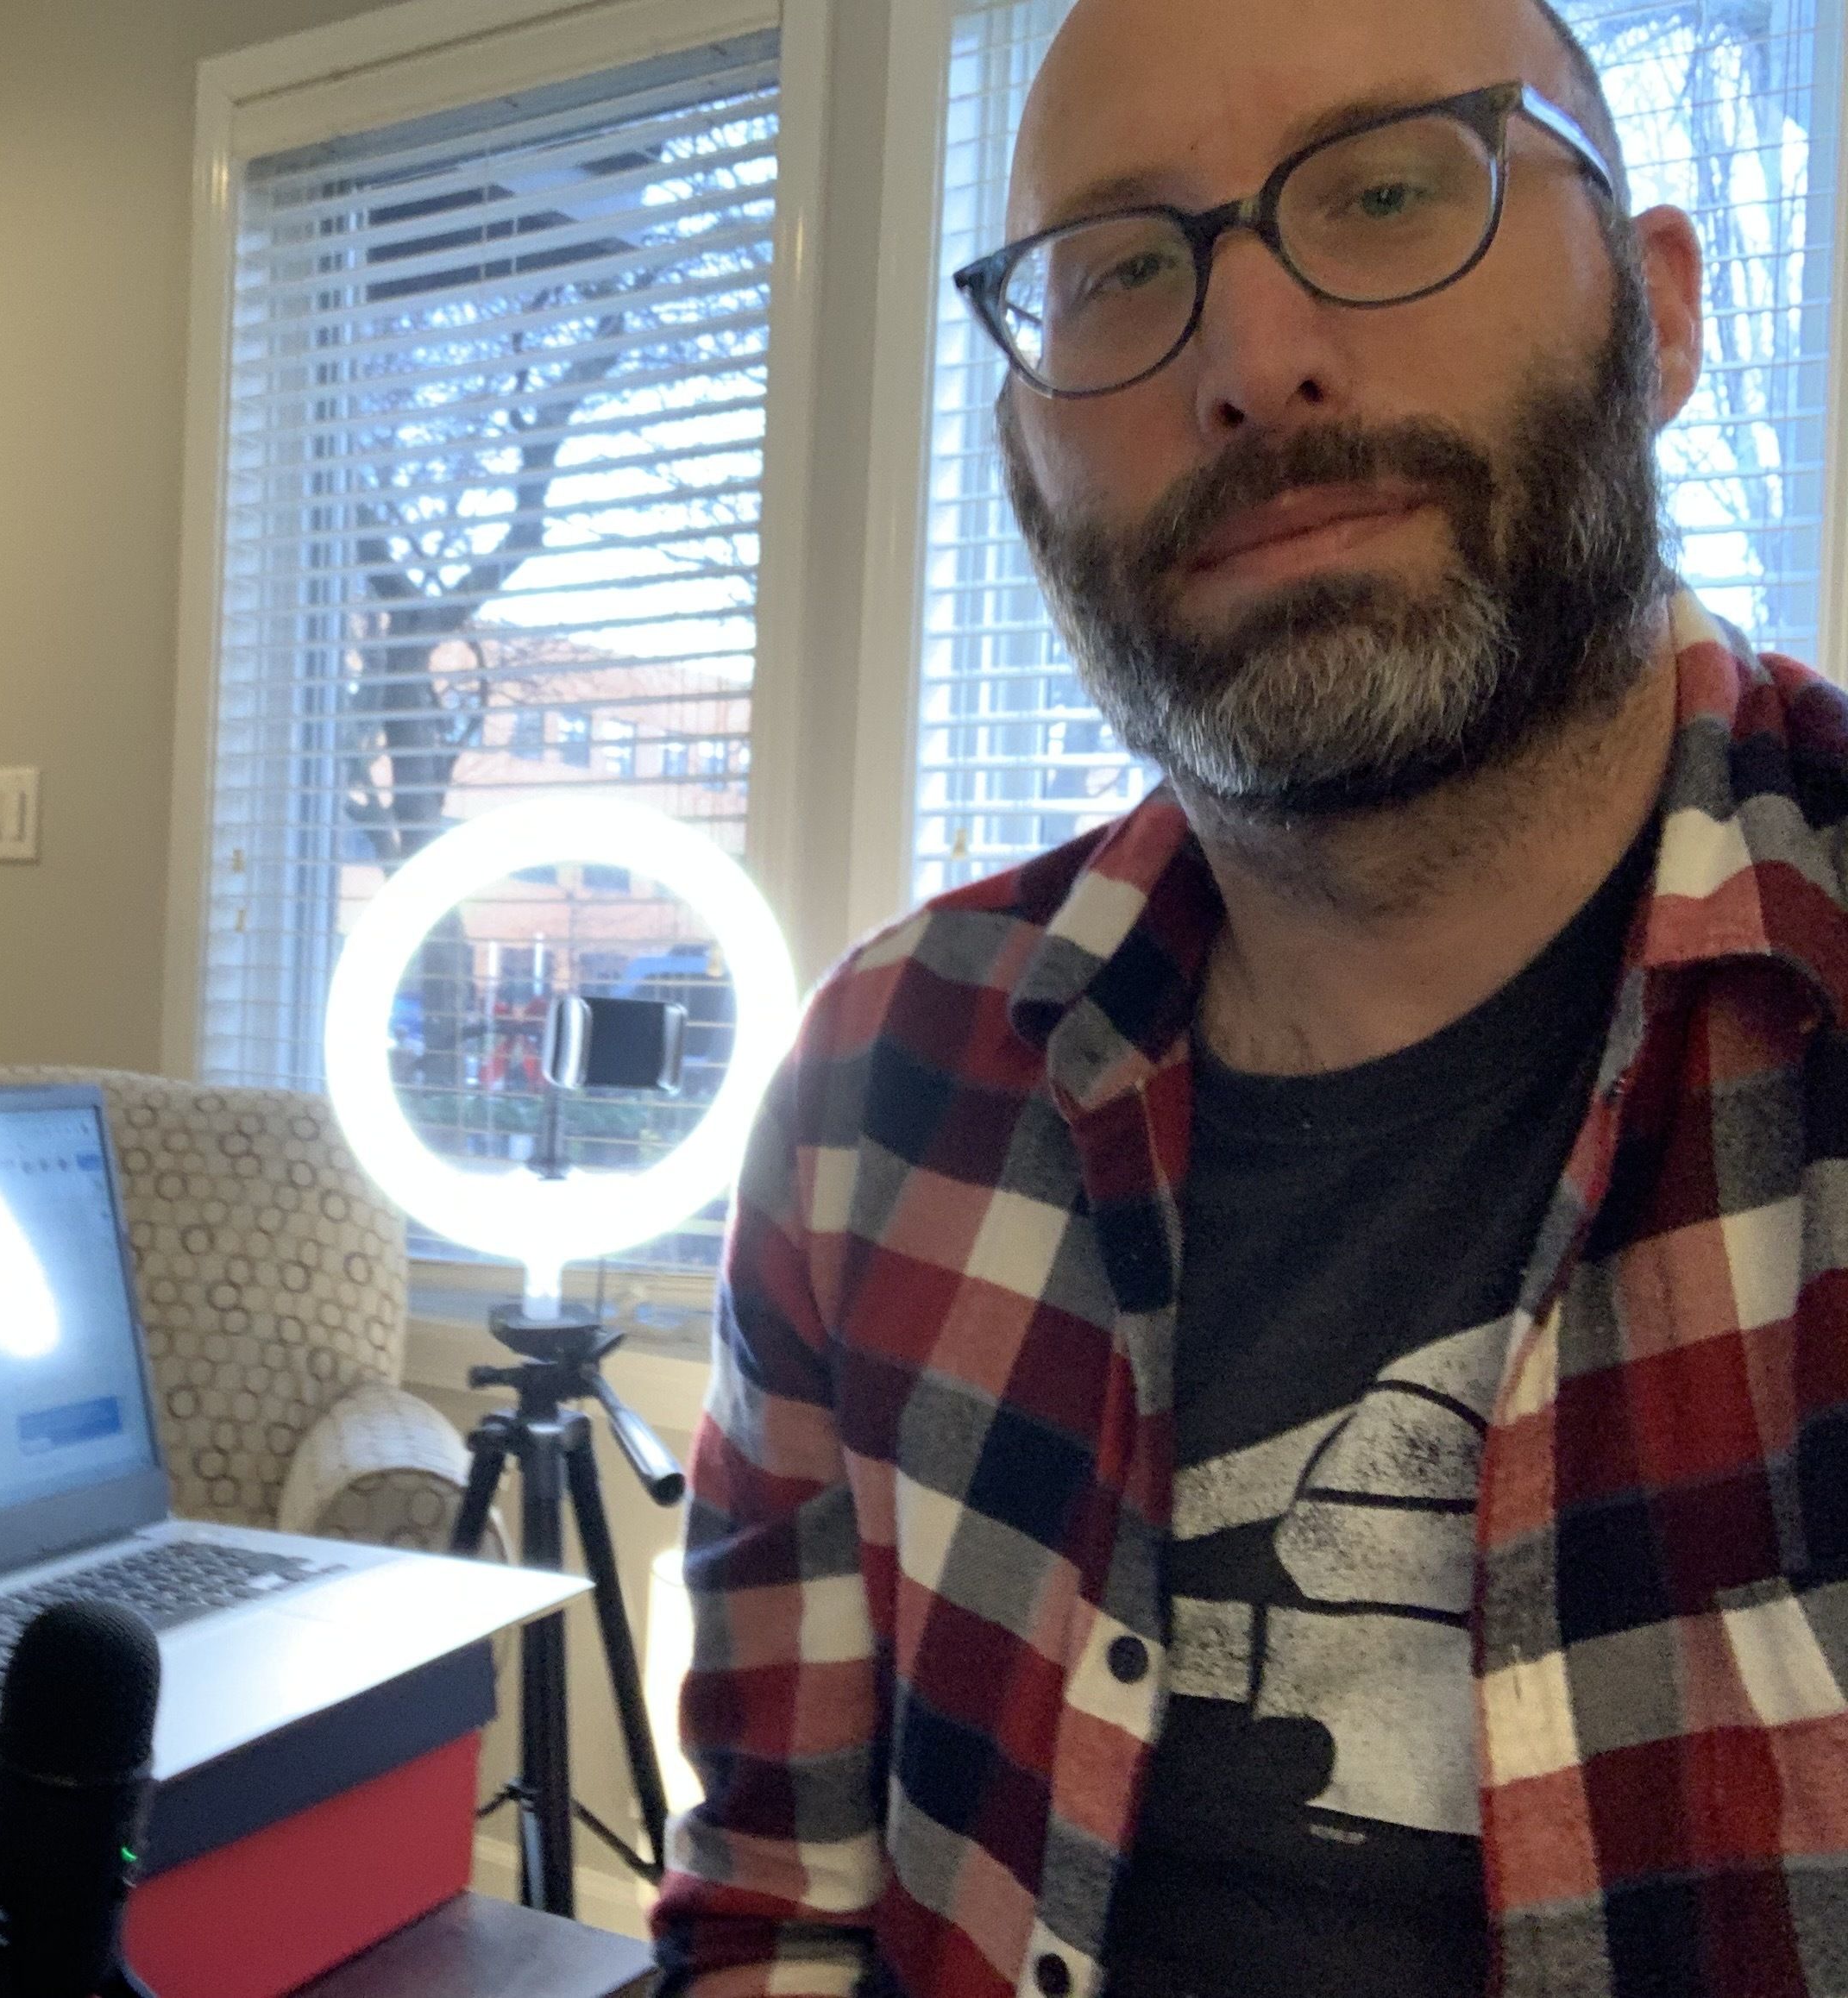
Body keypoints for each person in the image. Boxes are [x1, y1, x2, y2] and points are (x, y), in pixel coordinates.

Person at [651, 0, 1848, 1993]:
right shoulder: (877, 1098)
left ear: (1654, 314)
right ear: (1026, 453)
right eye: (1119, 269)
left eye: (1386, 191)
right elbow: (774, 1924)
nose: (1250, 360)